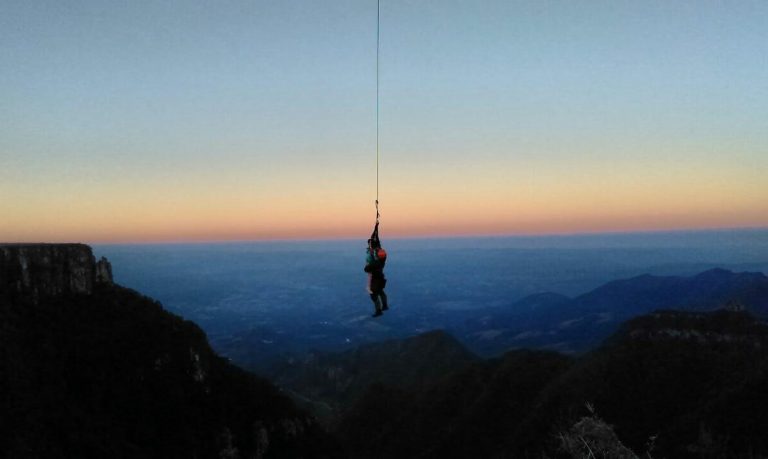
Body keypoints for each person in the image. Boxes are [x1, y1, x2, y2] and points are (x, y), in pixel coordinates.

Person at [364, 222, 388, 317]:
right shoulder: (378, 251)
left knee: (374, 293)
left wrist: (367, 268)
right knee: (380, 291)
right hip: (379, 276)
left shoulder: (375, 256)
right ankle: (384, 306)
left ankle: (379, 310)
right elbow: (375, 236)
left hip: (376, 277)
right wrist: (376, 226)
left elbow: (369, 268)